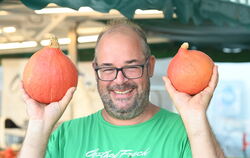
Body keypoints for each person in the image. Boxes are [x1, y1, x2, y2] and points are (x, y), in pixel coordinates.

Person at [18, 20, 225, 158]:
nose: (120, 80)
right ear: (95, 69)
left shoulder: (187, 132)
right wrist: (38, 124)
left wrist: (197, 118)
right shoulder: (64, 136)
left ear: (150, 66)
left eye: (131, 66)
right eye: (108, 68)